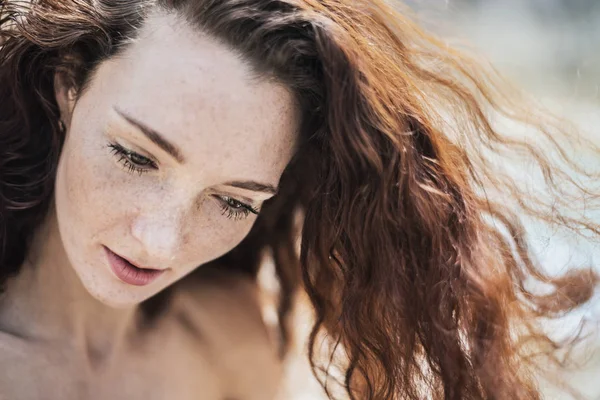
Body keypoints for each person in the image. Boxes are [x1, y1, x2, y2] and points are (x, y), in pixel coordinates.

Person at [0, 0, 597, 399]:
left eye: (233, 201)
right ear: (67, 85)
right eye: (136, 157)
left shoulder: (228, 340)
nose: (161, 239)